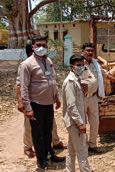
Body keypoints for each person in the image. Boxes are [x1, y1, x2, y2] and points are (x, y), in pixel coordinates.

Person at [19, 35, 65, 169]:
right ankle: (41, 160)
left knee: (48, 131)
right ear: (32, 47)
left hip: (48, 103)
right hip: (36, 104)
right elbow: (24, 87)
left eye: (44, 45)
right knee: (38, 134)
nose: (41, 48)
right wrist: (28, 108)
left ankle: (50, 154)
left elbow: (52, 80)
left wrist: (56, 97)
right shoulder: (27, 64)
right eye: (38, 45)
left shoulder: (48, 60)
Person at [62, 55, 91, 172]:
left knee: (72, 149)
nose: (81, 67)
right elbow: (71, 106)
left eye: (82, 65)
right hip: (74, 122)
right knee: (82, 150)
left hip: (76, 120)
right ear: (71, 66)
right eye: (78, 65)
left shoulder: (77, 80)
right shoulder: (70, 82)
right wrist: (80, 123)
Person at [80, 42, 107, 153]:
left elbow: (105, 74)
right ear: (83, 51)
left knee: (95, 122)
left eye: (92, 51)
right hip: (81, 98)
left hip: (93, 98)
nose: (90, 52)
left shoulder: (96, 63)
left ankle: (92, 144)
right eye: (88, 50)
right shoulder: (78, 63)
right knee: (82, 122)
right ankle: (83, 145)